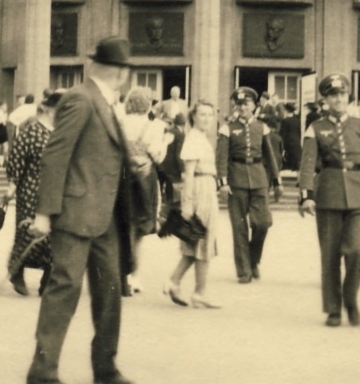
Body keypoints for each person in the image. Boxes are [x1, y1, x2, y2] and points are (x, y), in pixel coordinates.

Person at [26, 36, 138, 384]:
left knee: (109, 296)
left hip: (105, 219)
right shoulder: (81, 97)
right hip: (76, 216)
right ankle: (42, 372)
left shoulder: (104, 102)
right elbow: (55, 154)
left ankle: (106, 369)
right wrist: (44, 213)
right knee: (64, 290)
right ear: (120, 72)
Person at [298, 73, 360, 328]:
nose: (338, 99)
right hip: (328, 194)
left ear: (348, 96)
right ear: (325, 100)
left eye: (342, 94)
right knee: (330, 255)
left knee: (355, 251)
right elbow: (307, 164)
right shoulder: (316, 127)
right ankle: (333, 309)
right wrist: (306, 196)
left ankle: (350, 299)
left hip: (358, 194)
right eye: (332, 95)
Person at [217, 86, 283, 284]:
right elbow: (221, 157)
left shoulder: (261, 127)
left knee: (263, 223)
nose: (242, 108)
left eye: (246, 104)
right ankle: (244, 270)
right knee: (239, 229)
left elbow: (270, 155)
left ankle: (253, 260)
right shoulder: (227, 128)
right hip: (236, 180)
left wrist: (277, 182)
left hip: (258, 178)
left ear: (254, 105)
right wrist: (222, 182)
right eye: (239, 104)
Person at [164, 100, 221, 309]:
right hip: (199, 189)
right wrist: (187, 204)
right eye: (202, 115)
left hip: (206, 186)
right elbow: (187, 174)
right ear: (193, 117)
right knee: (202, 240)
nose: (207, 119)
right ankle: (199, 292)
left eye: (210, 115)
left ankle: (175, 282)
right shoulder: (193, 140)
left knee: (196, 241)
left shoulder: (200, 138)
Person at [6, 91, 62, 297]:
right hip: (30, 190)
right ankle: (17, 272)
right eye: (59, 110)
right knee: (27, 233)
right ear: (47, 109)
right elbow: (16, 158)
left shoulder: (61, 133)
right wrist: (12, 185)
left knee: (53, 236)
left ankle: (48, 278)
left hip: (55, 191)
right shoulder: (31, 133)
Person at [120, 86, 169, 296]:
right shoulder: (155, 126)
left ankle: (121, 274)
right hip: (144, 178)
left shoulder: (120, 123)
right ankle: (135, 277)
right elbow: (157, 157)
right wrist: (166, 142)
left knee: (121, 227)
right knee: (138, 231)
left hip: (120, 178)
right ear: (148, 104)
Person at [278, 102, 304, 171]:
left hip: (288, 144)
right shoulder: (297, 121)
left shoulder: (285, 121)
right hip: (296, 144)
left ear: (286, 111)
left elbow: (282, 134)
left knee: (287, 166)